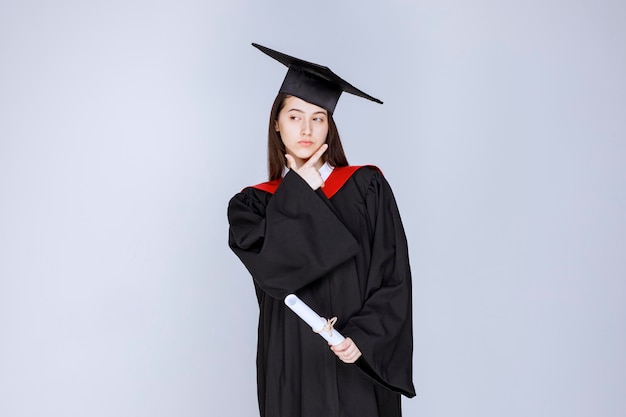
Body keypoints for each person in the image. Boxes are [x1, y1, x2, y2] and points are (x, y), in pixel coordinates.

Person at [227, 43, 416, 417]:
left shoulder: (367, 188)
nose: (307, 129)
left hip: (353, 358)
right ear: (276, 124)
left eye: (318, 118)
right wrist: (298, 189)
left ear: (330, 125)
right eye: (295, 117)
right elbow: (274, 273)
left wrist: (363, 337)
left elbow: (394, 276)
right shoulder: (251, 205)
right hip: (291, 361)